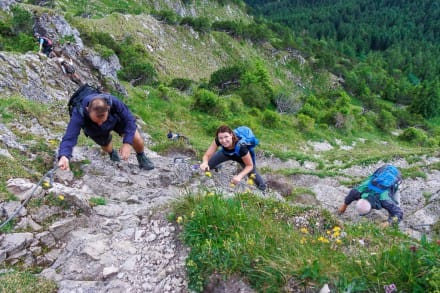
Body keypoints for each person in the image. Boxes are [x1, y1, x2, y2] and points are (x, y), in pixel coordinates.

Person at [57, 85, 155, 171]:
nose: (100, 123)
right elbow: (70, 136)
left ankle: (141, 156)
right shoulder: (79, 113)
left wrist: (127, 143)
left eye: (102, 119)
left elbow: (129, 120)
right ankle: (112, 153)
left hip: (115, 120)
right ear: (87, 110)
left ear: (108, 108)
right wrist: (64, 156)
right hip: (92, 128)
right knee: (106, 146)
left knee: (136, 137)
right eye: (97, 120)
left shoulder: (114, 102)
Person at [199, 125, 266, 191]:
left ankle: (262, 188)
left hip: (242, 158)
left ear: (231, 135)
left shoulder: (242, 147)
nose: (224, 140)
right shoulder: (217, 140)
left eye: (226, 137)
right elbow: (207, 155)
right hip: (226, 153)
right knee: (207, 166)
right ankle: (217, 166)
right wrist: (205, 162)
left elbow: (249, 165)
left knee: (252, 174)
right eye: (221, 138)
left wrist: (239, 176)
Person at [338, 171, 403, 226]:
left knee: (395, 207)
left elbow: (399, 213)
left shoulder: (385, 200)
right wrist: (344, 206)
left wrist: (388, 223)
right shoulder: (357, 192)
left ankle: (395, 225)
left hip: (396, 177)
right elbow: (350, 195)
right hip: (382, 171)